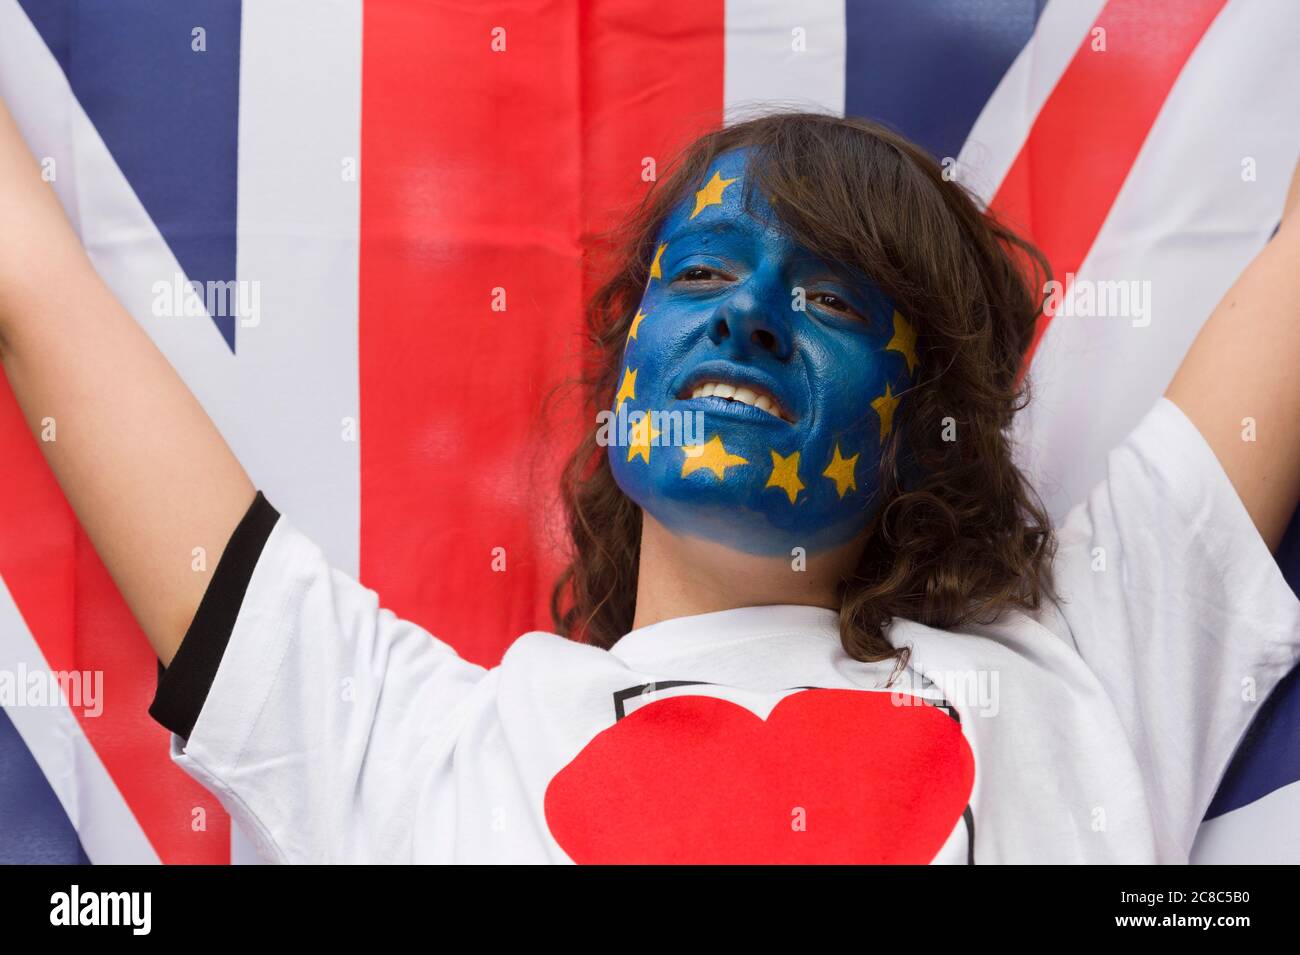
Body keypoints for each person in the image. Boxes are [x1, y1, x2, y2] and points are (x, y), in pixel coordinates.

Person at [1, 103, 1297, 863]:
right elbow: (33, 282)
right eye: (699, 275)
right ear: (625, 376)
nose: (750, 318)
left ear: (925, 433)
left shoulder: (1088, 669)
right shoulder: (401, 744)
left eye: (836, 298)